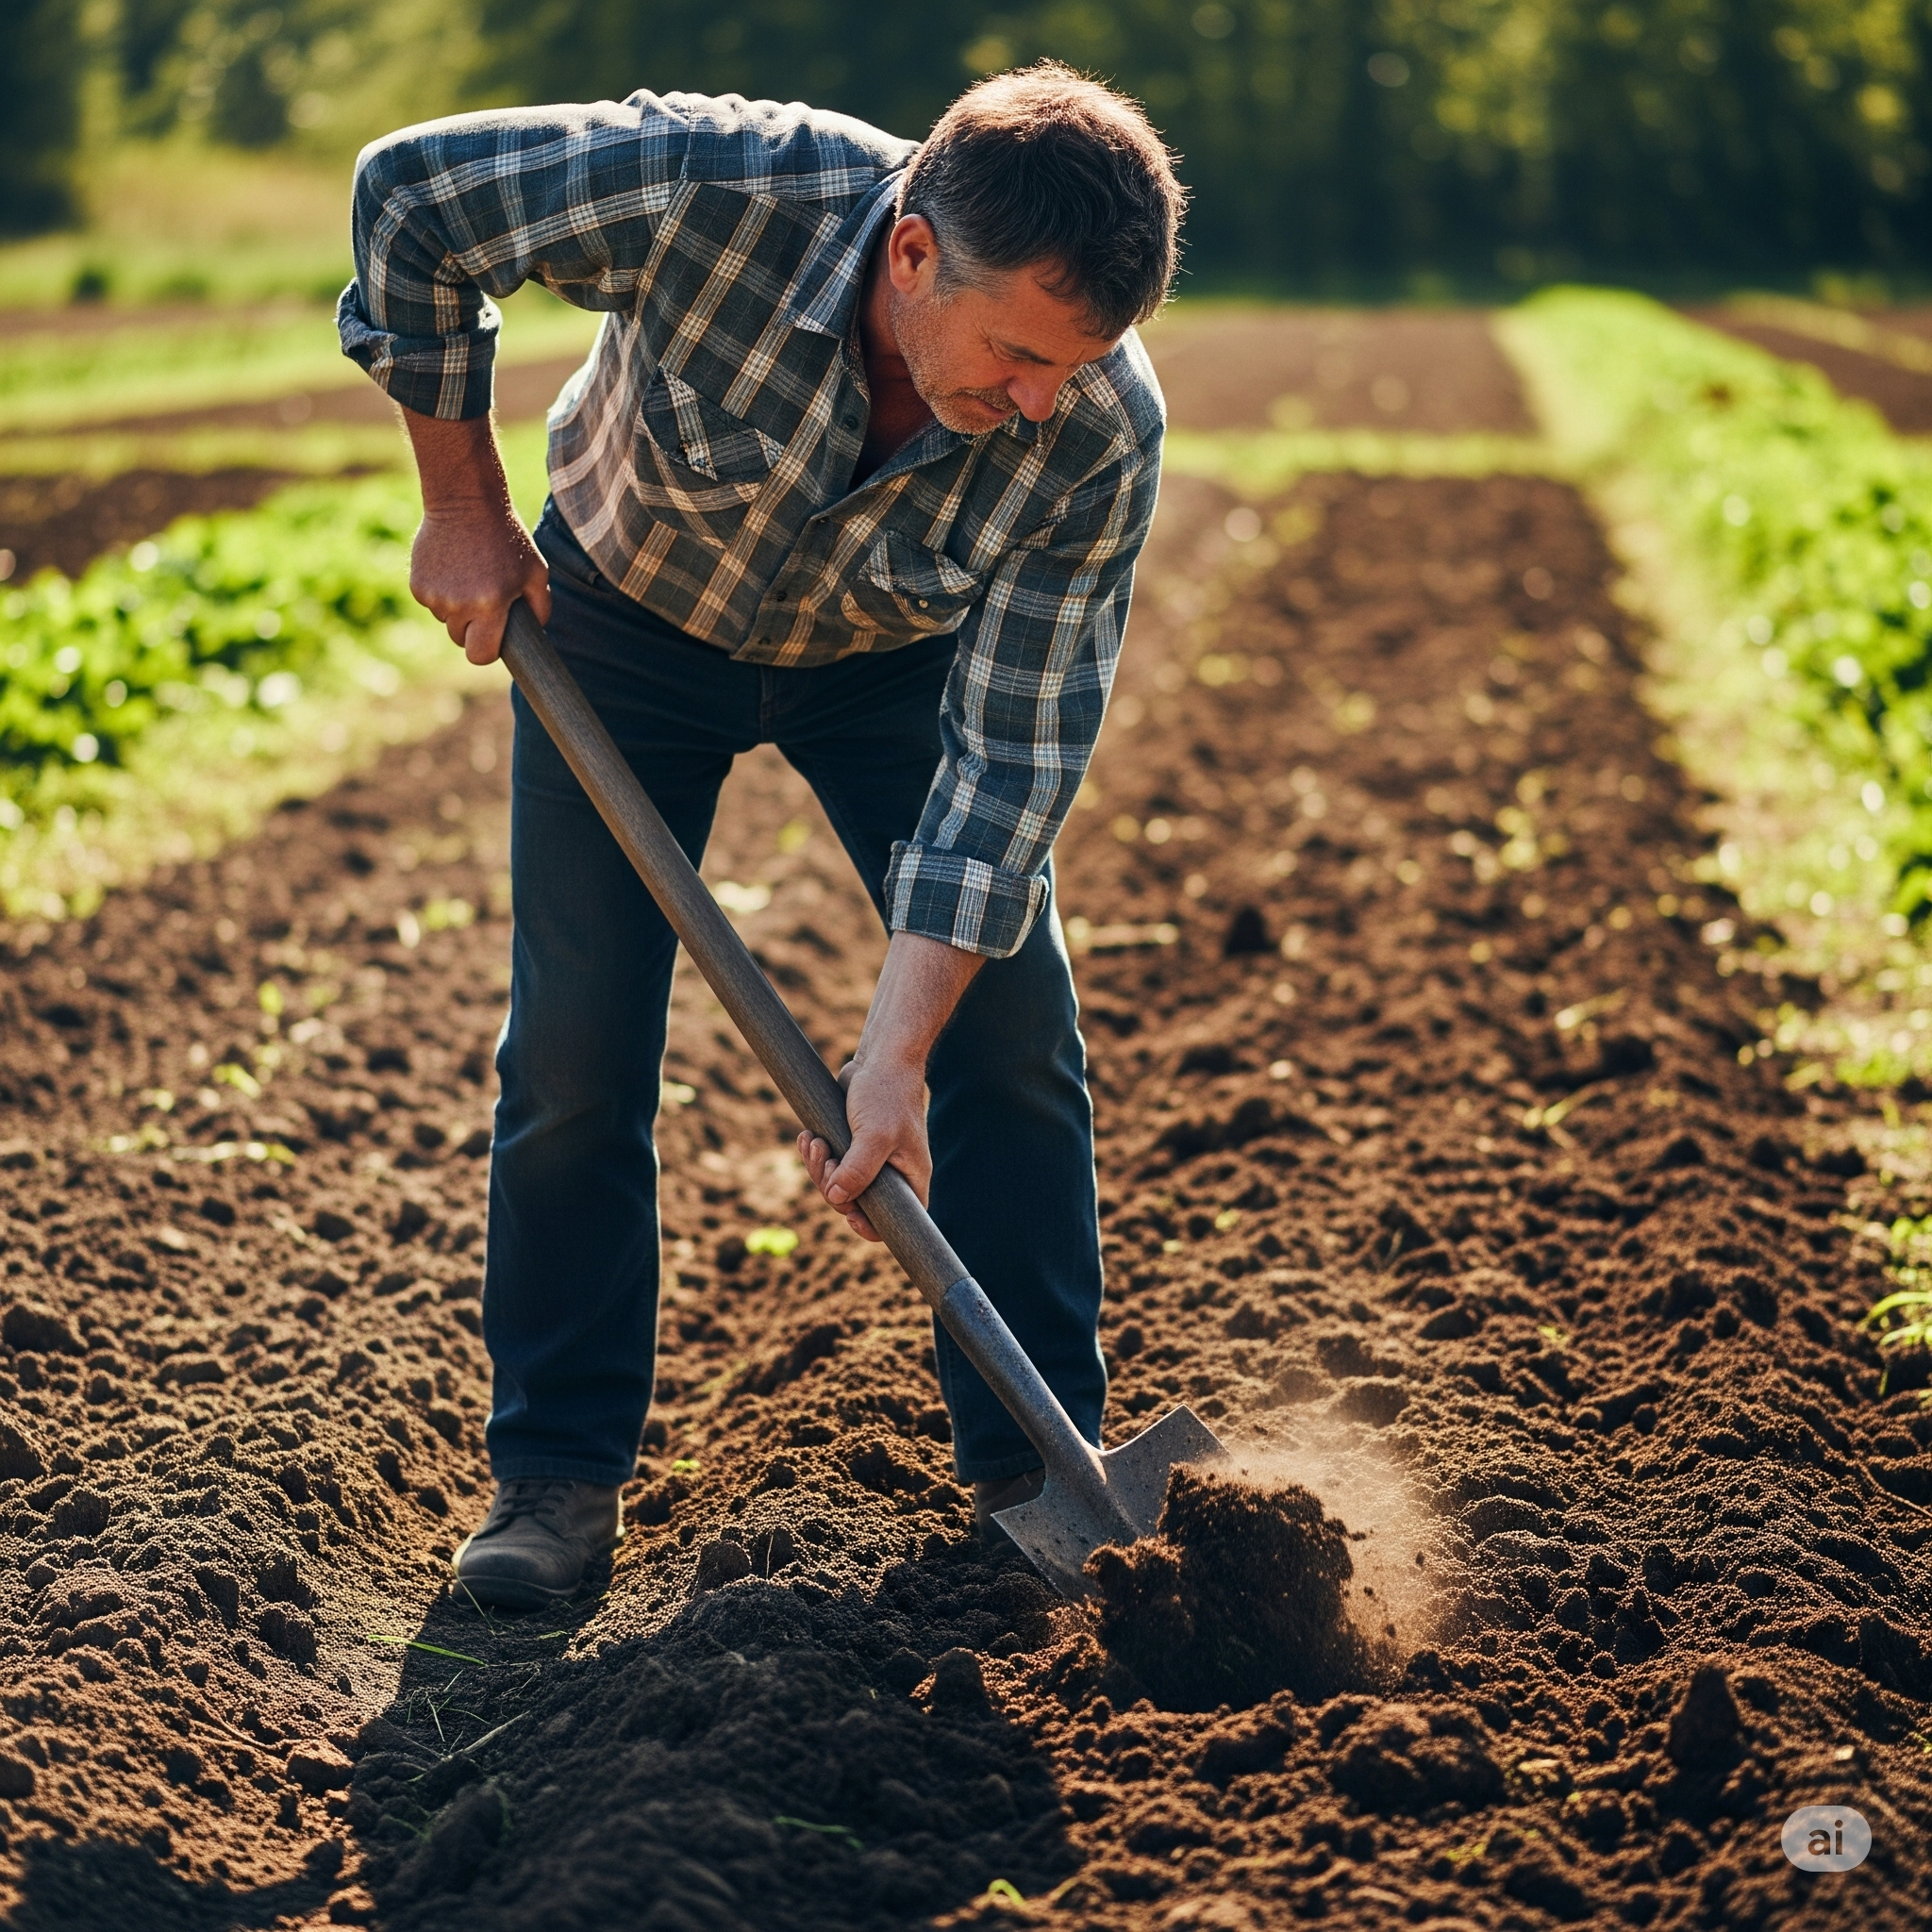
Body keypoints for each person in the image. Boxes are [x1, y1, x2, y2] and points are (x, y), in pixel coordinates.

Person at [338, 60, 1185, 1608]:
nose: (1040, 403)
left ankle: (1033, 1472)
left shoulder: (1096, 433)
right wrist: (460, 499)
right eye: (1015, 356)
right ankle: (557, 1474)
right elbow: (413, 198)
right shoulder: (716, 191)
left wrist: (895, 1052)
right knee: (580, 1045)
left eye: (1078, 365)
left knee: (1010, 1037)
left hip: (888, 663)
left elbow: (1009, 769)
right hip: (622, 628)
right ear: (914, 252)